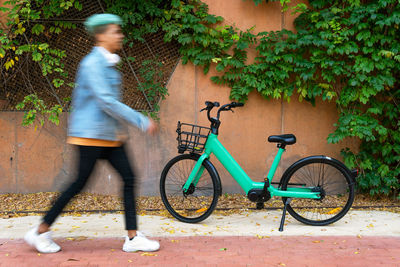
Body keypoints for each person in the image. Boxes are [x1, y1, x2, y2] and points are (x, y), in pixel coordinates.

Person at [24, 13, 160, 253]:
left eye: (119, 31)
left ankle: (132, 237)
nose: (120, 35)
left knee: (129, 177)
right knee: (78, 183)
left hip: (110, 136)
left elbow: (109, 103)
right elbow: (106, 101)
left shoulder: (108, 63)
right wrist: (140, 120)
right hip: (90, 135)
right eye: (115, 31)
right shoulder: (92, 64)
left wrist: (122, 131)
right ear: (100, 35)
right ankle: (39, 231)